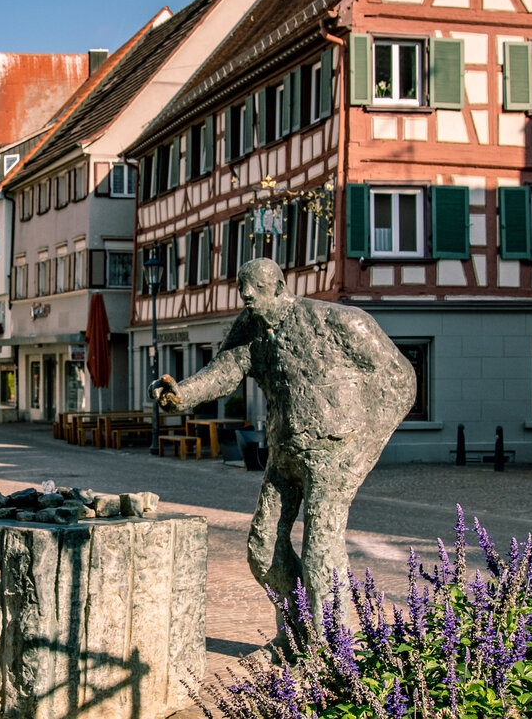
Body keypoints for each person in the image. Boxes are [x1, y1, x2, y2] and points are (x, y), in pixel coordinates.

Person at [153, 258, 413, 641]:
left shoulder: (337, 321)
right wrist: (183, 395)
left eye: (254, 287)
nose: (245, 295)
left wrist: (365, 447)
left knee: (320, 551)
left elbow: (400, 379)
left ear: (278, 287)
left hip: (333, 454)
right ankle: (294, 637)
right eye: (242, 287)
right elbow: (224, 372)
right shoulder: (250, 328)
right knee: (262, 548)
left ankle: (330, 650)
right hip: (284, 453)